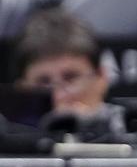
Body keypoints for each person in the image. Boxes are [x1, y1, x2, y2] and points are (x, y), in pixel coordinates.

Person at [14, 8, 128, 140]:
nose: (59, 95)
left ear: (101, 78)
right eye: (43, 82)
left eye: (71, 78)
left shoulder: (133, 130)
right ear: (22, 90)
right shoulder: (8, 143)